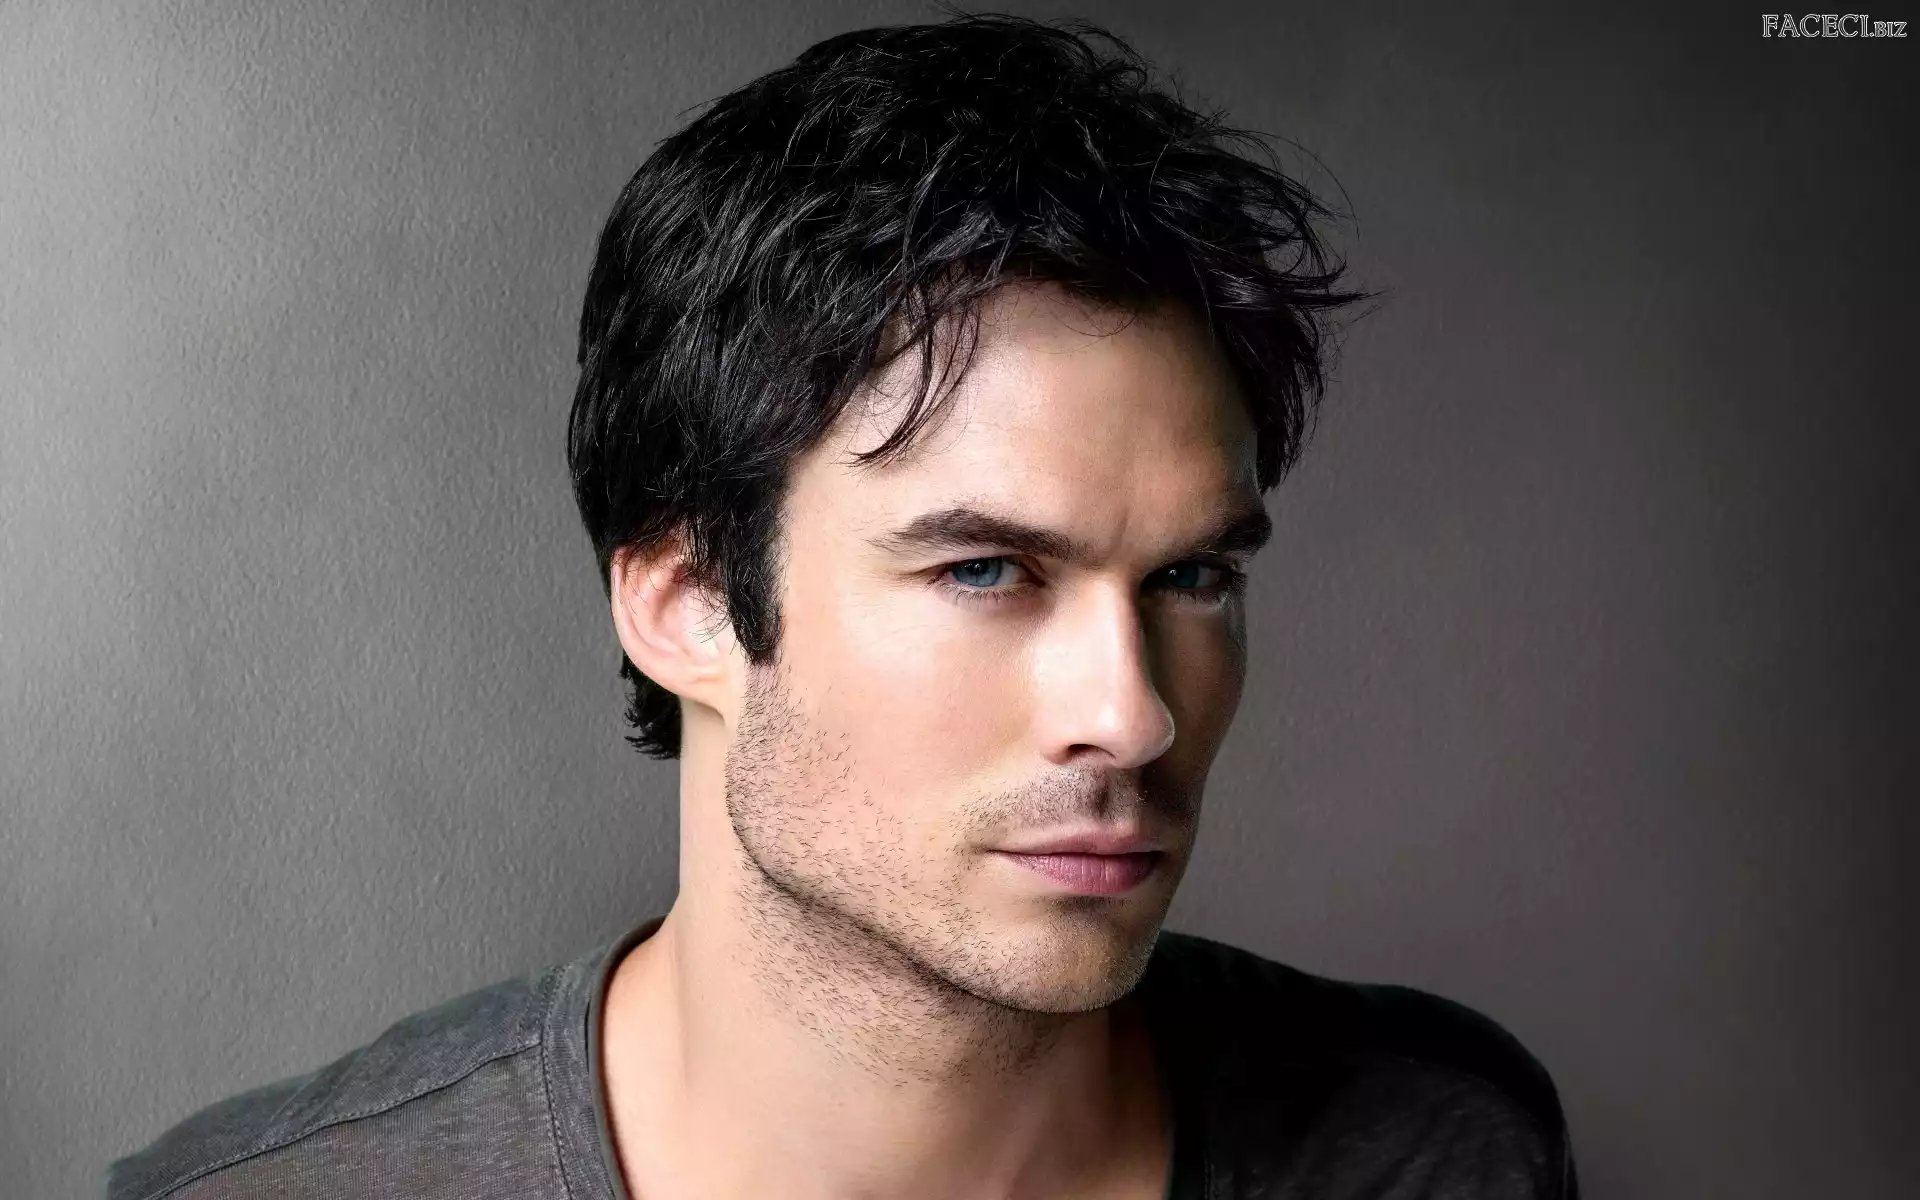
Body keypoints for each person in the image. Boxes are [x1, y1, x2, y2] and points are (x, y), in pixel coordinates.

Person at [108, 14, 1579, 1200]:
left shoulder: (1439, 1149)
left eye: (1192, 576)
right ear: (689, 605)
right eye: (985, 570)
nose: (1133, 714)